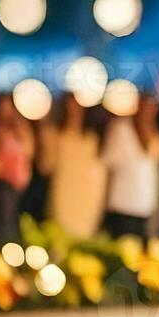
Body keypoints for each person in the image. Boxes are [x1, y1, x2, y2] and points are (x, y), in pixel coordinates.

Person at [100, 96, 159, 238]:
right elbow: (108, 161)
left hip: (145, 204)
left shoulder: (153, 133)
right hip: (122, 203)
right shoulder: (121, 128)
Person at [47, 97, 107, 238]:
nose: (73, 112)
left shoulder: (92, 139)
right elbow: (47, 165)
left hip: (86, 194)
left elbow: (99, 172)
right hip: (63, 190)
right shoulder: (56, 135)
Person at [0, 94, 34, 246]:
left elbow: (29, 150)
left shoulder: (19, 129)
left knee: (11, 218)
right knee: (1, 220)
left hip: (18, 183)